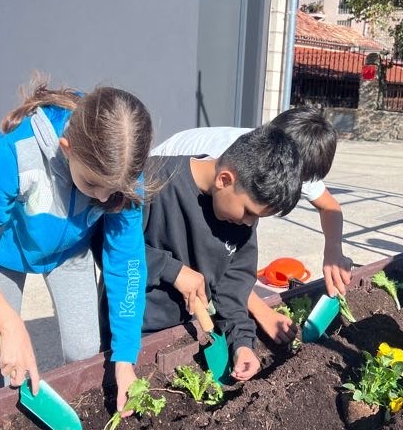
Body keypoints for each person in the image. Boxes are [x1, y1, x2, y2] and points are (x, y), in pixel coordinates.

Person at [0, 77, 151, 412]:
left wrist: (126, 358)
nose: (103, 199)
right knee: (3, 348)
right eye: (92, 185)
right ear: (67, 147)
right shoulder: (15, 150)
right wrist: (10, 322)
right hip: (3, 251)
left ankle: (67, 411)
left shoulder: (124, 174)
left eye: (111, 192)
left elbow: (126, 260)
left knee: (84, 347)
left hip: (68, 253)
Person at [151, 107, 352, 344]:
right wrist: (260, 310)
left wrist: (333, 250)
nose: (251, 222)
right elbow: (219, 262)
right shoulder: (237, 162)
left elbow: (329, 206)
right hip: (159, 194)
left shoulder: (283, 168)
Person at [133, 126, 303, 381]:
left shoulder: (240, 218)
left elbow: (233, 287)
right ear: (224, 180)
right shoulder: (153, 180)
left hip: (190, 331)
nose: (249, 223)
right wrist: (174, 271)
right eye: (249, 212)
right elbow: (113, 252)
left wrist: (242, 344)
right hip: (135, 332)